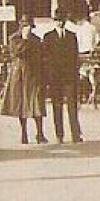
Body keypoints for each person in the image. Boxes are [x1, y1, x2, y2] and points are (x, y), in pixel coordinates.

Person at [0, 16, 48, 144]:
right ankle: (24, 133)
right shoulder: (14, 39)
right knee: (21, 104)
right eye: (25, 25)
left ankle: (40, 133)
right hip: (19, 75)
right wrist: (25, 40)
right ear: (20, 26)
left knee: (36, 102)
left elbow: (40, 56)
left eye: (29, 26)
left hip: (34, 75)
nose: (28, 28)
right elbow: (16, 53)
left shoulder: (37, 40)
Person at [44, 12, 83, 143]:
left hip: (69, 77)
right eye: (57, 20)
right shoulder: (48, 37)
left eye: (62, 20)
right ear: (54, 21)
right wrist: (49, 76)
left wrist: (75, 73)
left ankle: (75, 134)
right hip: (55, 77)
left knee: (72, 105)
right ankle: (59, 135)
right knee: (57, 106)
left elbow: (75, 57)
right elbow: (46, 58)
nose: (60, 23)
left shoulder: (72, 36)